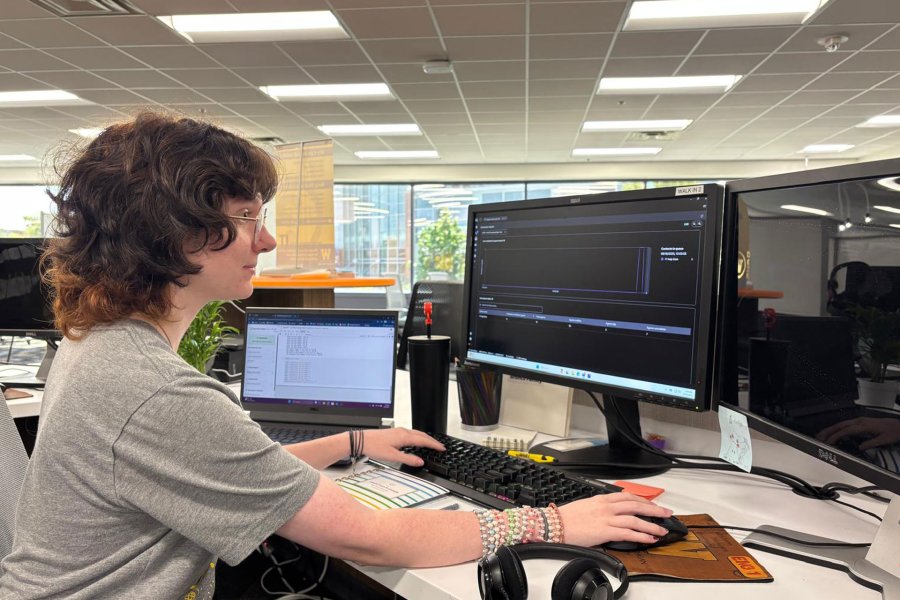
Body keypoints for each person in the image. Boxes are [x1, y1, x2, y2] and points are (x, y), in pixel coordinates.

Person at [0, 112, 673, 598]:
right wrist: (556, 519)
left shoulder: (101, 346)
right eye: (248, 218)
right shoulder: (154, 391)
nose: (265, 243)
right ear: (174, 236)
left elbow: (220, 469)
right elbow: (369, 538)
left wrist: (350, 441)